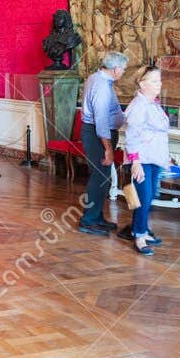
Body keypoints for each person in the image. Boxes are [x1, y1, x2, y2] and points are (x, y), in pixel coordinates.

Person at [121, 65, 171, 255]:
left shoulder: (153, 103)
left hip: (154, 157)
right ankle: (139, 236)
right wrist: (135, 162)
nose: (159, 84)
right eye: (154, 81)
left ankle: (138, 228)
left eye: (159, 80)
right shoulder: (139, 105)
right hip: (141, 159)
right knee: (142, 197)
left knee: (149, 197)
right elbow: (132, 135)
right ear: (142, 83)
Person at [77, 51, 128, 236]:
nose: (123, 72)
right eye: (123, 69)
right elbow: (101, 121)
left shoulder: (97, 78)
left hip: (96, 133)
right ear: (115, 69)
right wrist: (108, 149)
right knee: (99, 177)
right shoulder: (102, 87)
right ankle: (88, 220)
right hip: (97, 135)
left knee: (103, 177)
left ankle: (96, 217)